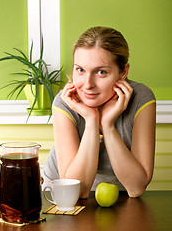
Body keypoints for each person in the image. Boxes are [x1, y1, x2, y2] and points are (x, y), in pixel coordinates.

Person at [43, 26, 156, 198]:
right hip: (60, 199)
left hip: (120, 201)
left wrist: (108, 125)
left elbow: (136, 188)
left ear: (123, 72)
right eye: (80, 70)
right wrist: (91, 120)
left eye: (101, 72)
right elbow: (78, 192)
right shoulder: (66, 101)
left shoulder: (142, 99)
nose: (87, 84)